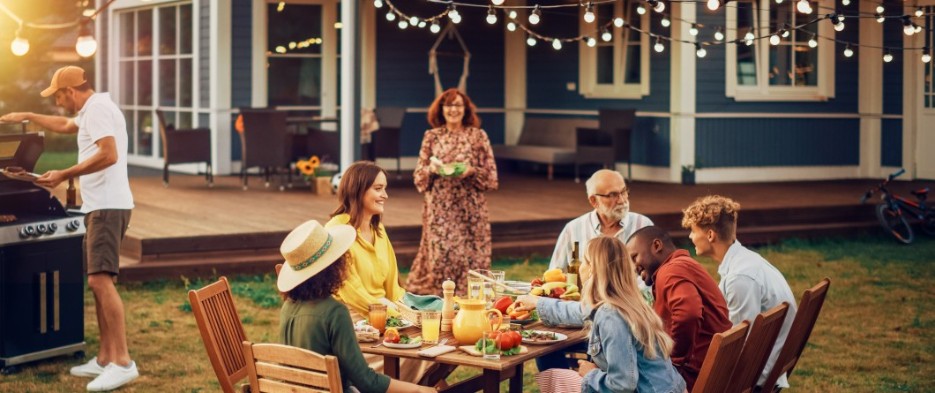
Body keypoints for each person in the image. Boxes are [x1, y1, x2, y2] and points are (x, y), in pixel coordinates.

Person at [1, 66, 138, 391]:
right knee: (97, 282)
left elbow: (109, 154)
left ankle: (123, 362)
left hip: (107, 206)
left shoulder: (99, 110)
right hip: (99, 206)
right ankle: (105, 358)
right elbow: (64, 124)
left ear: (71, 90)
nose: (59, 102)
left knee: (100, 281)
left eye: (58, 95)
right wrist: (28, 115)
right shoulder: (92, 108)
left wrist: (65, 173)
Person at [278, 220, 435, 393]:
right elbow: (366, 382)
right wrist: (419, 390)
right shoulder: (334, 312)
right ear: (333, 266)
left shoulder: (288, 307)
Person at [521, 237, 686, 393]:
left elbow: (623, 384)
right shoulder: (628, 303)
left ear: (592, 268)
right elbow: (581, 311)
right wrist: (537, 303)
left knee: (555, 377)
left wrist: (590, 374)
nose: (580, 268)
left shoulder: (610, 315)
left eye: (584, 262)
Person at [326, 161, 436, 384]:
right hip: (355, 325)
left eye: (385, 188)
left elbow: (392, 287)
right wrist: (401, 317)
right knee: (427, 350)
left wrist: (410, 314)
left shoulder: (379, 230)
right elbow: (352, 292)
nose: (385, 195)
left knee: (436, 345)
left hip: (386, 315)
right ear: (357, 190)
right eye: (378, 189)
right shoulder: (336, 232)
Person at [681, 195, 797, 390]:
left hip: (755, 376)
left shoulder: (740, 278)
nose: (691, 237)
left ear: (710, 235)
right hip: (769, 363)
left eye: (693, 231)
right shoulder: (746, 261)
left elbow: (738, 343)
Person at [407, 88, 498, 295]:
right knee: (442, 255)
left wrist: (472, 171)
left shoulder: (477, 136)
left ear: (466, 109)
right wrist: (431, 169)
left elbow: (492, 177)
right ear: (441, 109)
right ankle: (440, 301)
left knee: (471, 257)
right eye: (448, 105)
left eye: (457, 105)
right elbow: (418, 178)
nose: (453, 110)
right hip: (440, 206)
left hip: (470, 208)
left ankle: (469, 303)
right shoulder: (431, 136)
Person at [626, 226, 732, 390]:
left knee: (617, 378)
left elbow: (688, 314)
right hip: (716, 370)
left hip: (695, 376)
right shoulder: (683, 265)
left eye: (634, 257)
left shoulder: (670, 271)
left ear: (656, 246)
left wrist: (673, 360)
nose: (634, 267)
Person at [548, 169, 653, 272]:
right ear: (594, 201)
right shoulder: (573, 229)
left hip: (634, 290)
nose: (622, 200)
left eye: (623, 191)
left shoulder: (643, 226)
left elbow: (654, 273)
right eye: (612, 195)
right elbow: (555, 273)